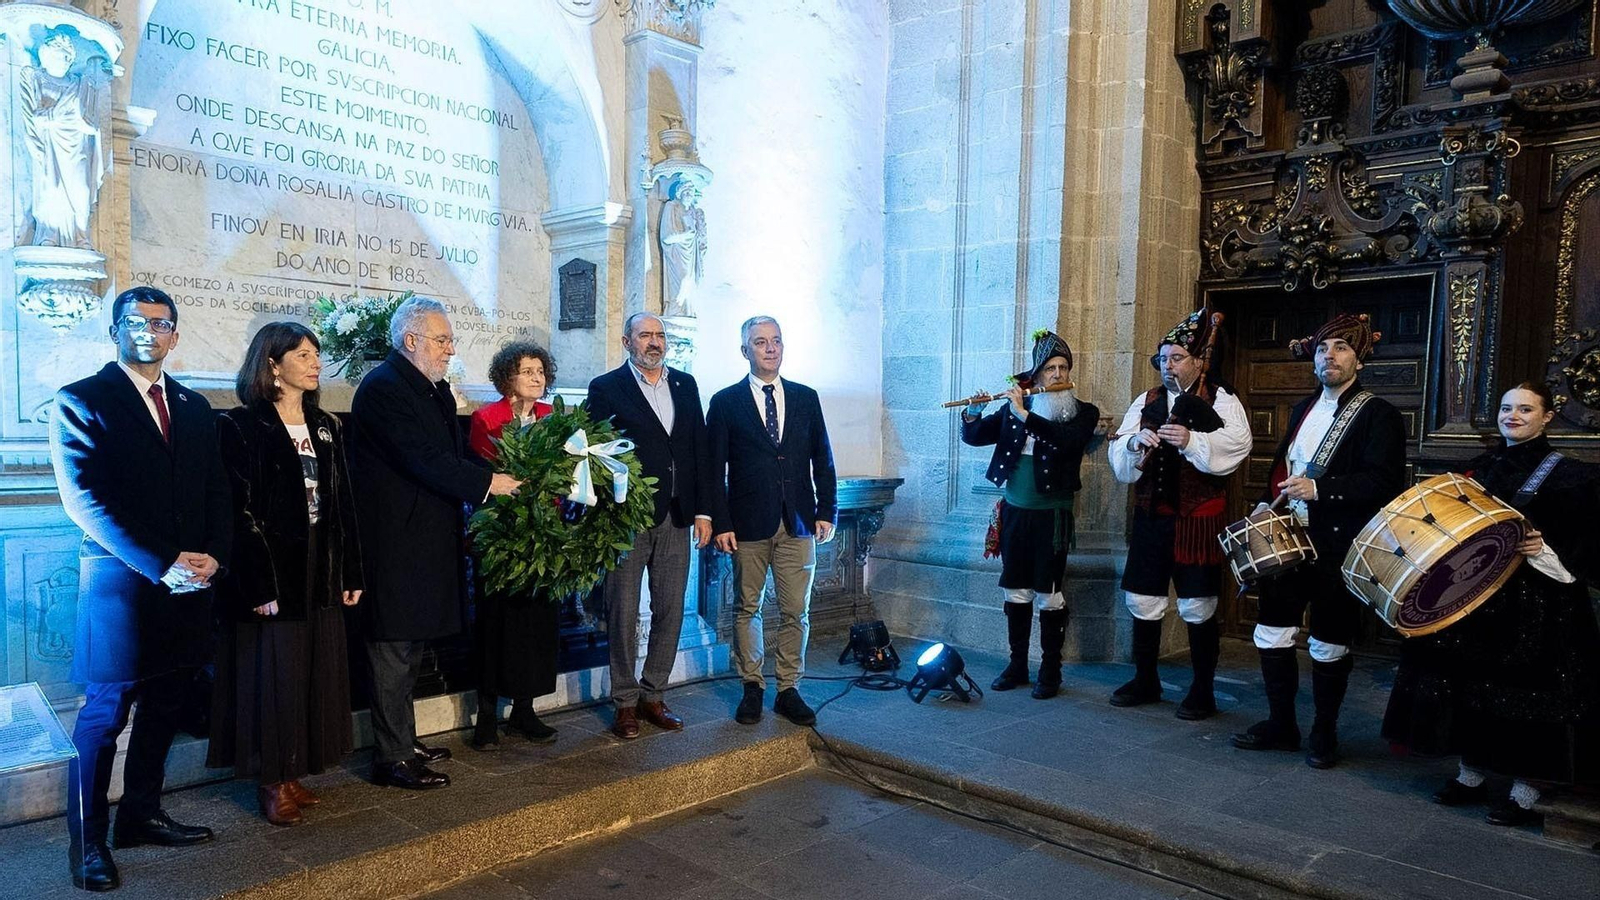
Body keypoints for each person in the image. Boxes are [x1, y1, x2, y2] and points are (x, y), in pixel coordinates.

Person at [50, 286, 230, 891]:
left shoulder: (195, 407)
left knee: (168, 703)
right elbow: (86, 500)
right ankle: (88, 842)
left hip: (188, 586)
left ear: (175, 335)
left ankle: (142, 814)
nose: (150, 330)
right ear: (115, 330)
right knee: (104, 717)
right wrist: (163, 561)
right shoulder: (82, 400)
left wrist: (215, 559)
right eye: (136, 320)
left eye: (161, 322)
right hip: (122, 587)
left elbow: (216, 494)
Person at [1382, 382, 1600, 826]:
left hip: (1539, 603)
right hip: (1477, 598)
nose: (1513, 416)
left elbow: (1588, 544)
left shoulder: (1573, 475)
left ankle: (1526, 787)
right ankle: (1471, 773)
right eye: (1506, 408)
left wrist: (1544, 548)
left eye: (1524, 409)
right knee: (1469, 686)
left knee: (1528, 695)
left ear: (1547, 417)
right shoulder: (1478, 469)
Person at [346, 296, 521, 789]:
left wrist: (496, 474)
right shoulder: (382, 389)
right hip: (394, 542)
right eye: (442, 340)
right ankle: (391, 757)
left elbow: (451, 453)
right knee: (393, 649)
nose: (449, 349)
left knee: (412, 647)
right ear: (411, 341)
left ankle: (404, 740)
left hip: (426, 538)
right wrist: (489, 485)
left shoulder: (432, 389)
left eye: (448, 340)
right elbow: (420, 458)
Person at [1231, 313, 1406, 769]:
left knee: (1329, 641)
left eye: (1342, 349)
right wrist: (1267, 503)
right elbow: (1284, 470)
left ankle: (1324, 732)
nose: (1330, 356)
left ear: (1359, 361)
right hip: (1288, 538)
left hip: (1338, 543)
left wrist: (1321, 489)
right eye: (1324, 349)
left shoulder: (1377, 414)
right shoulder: (1301, 409)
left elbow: (1384, 482)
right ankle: (1281, 725)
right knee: (1272, 633)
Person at [207, 323, 363, 827]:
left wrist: (350, 570)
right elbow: (237, 510)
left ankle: (295, 770)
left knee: (313, 671)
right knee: (273, 675)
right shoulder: (242, 425)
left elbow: (343, 507)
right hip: (273, 570)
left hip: (321, 565)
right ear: (272, 364)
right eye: (302, 354)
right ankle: (271, 781)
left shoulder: (327, 426)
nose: (315, 362)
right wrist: (258, 582)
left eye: (316, 353)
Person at [1107, 310, 1251, 718]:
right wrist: (1135, 442)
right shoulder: (1147, 401)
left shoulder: (1221, 397)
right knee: (1143, 599)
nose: (1169, 367)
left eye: (1177, 358)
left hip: (1197, 517)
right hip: (1152, 516)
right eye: (1164, 359)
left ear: (1198, 361)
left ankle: (1202, 689)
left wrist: (1191, 440)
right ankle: (1146, 679)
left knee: (1197, 605)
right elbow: (1120, 457)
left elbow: (1237, 447)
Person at [585, 313, 712, 740]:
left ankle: (653, 694)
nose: (654, 342)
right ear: (627, 341)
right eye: (645, 335)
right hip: (628, 518)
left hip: (678, 515)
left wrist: (704, 512)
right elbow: (597, 453)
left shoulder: (685, 385)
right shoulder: (606, 388)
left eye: (659, 335)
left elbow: (698, 450)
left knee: (671, 608)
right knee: (621, 609)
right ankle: (624, 702)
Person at [708, 316, 838, 727]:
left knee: (795, 611)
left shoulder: (805, 397)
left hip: (798, 521)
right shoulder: (726, 402)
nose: (770, 348)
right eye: (760, 342)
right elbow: (713, 471)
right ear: (744, 350)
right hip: (747, 524)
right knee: (747, 606)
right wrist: (723, 522)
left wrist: (826, 510)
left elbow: (824, 458)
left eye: (776, 341)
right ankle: (752, 686)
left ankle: (787, 689)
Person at [959, 330, 1101, 699]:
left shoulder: (1083, 413)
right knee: (1015, 589)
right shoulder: (1014, 408)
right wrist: (974, 412)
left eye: (1063, 367)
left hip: (1051, 516)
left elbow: (1067, 442)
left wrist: (1025, 415)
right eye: (1050, 369)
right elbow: (975, 436)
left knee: (1049, 593)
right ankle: (1018, 665)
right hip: (1014, 513)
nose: (1057, 375)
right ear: (1036, 375)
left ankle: (1050, 671)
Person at [467, 341, 561, 749]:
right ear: (507, 377)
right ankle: (486, 716)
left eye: (540, 370)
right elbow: (489, 474)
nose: (536, 377)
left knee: (536, 625)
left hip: (543, 535)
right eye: (527, 370)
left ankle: (524, 710)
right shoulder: (486, 418)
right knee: (496, 625)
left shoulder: (551, 416)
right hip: (501, 537)